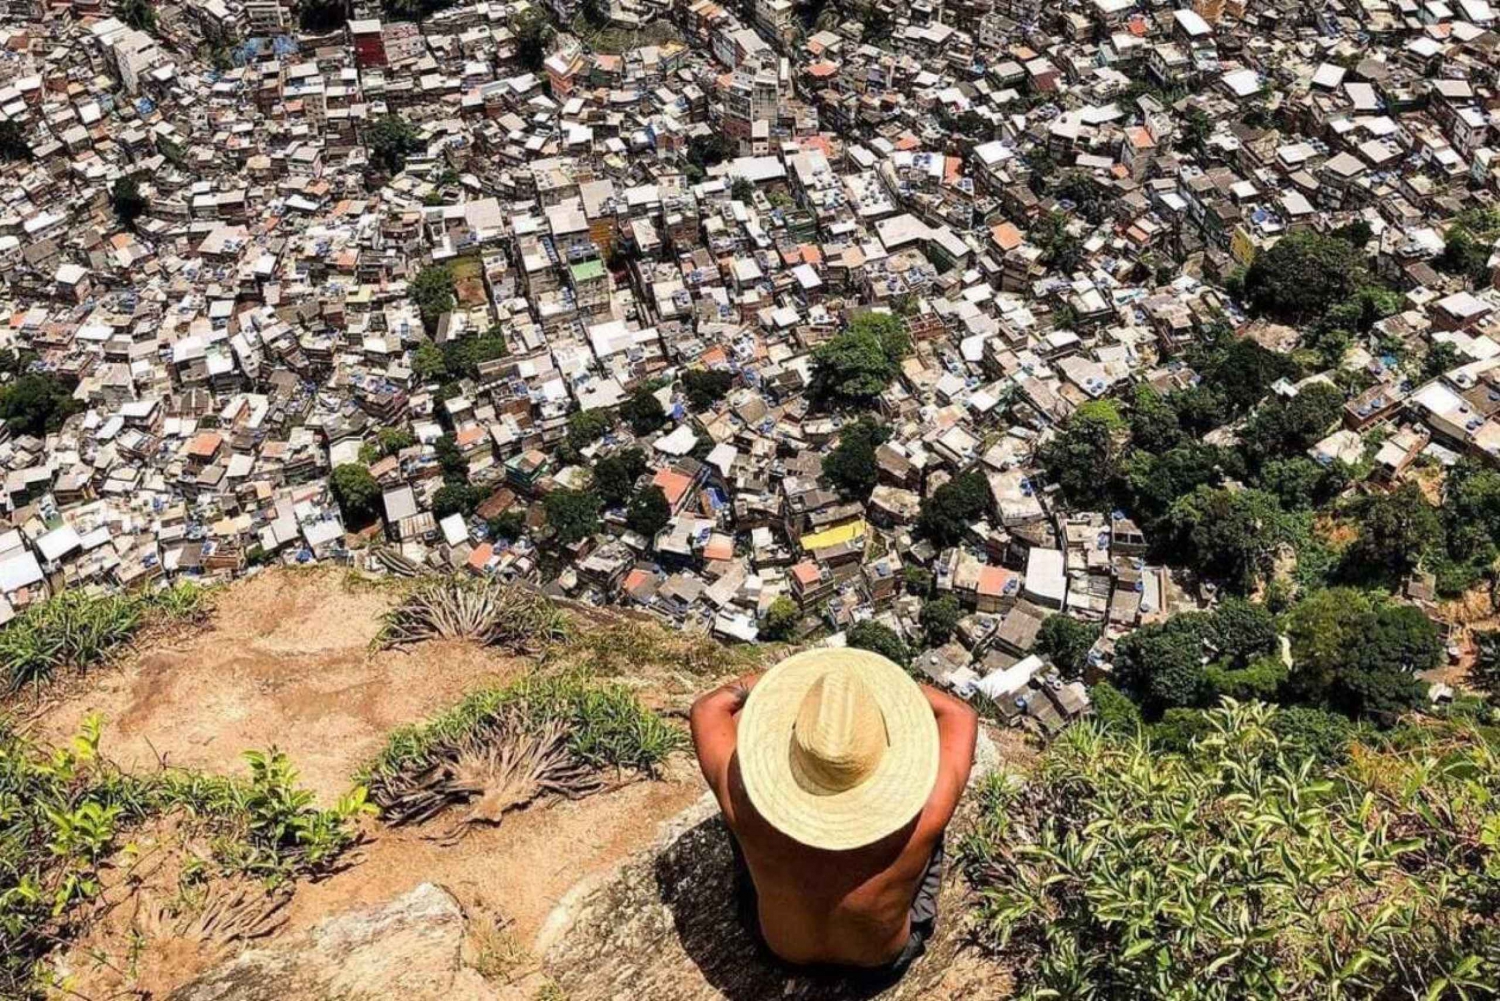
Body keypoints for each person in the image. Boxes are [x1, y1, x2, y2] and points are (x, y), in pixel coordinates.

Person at [689, 647, 977, 979]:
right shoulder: (931, 804)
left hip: (781, 951)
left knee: (741, 793)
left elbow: (710, 706)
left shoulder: (740, 795)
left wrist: (798, 678)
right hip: (881, 961)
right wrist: (877, 683)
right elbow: (961, 715)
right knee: (929, 832)